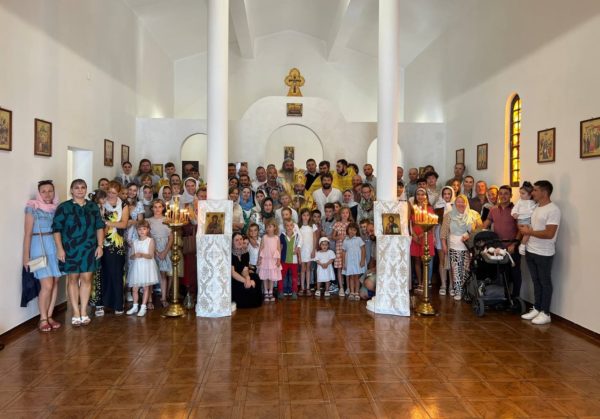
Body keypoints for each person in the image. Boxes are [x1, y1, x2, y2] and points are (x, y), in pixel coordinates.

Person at [52, 179, 105, 326]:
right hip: (70, 249)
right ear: (71, 190)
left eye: (83, 187)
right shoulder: (64, 207)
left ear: (86, 189)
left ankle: (83, 311)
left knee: (87, 279)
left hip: (89, 248)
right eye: (77, 188)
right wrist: (59, 248)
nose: (80, 190)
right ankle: (75, 312)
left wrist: (100, 245)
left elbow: (99, 227)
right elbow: (56, 229)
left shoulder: (93, 206)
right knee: (73, 279)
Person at [23, 180, 63, 332]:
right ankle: (43, 318)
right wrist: (25, 256)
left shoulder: (57, 208)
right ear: (39, 193)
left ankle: (50, 316)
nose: (47, 194)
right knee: (47, 285)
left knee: (55, 282)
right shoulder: (32, 207)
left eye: (50, 191)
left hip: (55, 245)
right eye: (43, 191)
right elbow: (27, 234)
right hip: (39, 247)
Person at [519, 180, 560, 325]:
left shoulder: (553, 210)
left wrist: (529, 232)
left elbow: (549, 233)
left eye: (535, 190)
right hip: (531, 250)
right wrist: (525, 239)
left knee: (545, 282)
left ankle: (545, 312)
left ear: (544, 192)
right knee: (536, 281)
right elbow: (533, 227)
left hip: (544, 253)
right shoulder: (536, 207)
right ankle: (537, 308)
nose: (533, 193)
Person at [440, 194, 482, 300]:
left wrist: (470, 234)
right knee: (456, 270)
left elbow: (480, 228)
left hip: (469, 247)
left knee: (466, 270)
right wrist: (444, 245)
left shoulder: (474, 214)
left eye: (463, 202)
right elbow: (443, 232)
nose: (460, 204)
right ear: (455, 203)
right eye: (458, 202)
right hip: (454, 246)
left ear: (466, 203)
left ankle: (465, 291)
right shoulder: (449, 215)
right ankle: (458, 292)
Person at [483, 185, 521, 299]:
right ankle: (504, 297)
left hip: (513, 247)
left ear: (511, 195)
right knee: (503, 273)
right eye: (501, 193)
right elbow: (487, 222)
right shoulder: (493, 209)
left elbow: (521, 229)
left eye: (506, 193)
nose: (503, 196)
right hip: (498, 247)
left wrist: (514, 244)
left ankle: (515, 298)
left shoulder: (516, 210)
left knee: (515, 273)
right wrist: (478, 231)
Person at [101, 181, 130, 315]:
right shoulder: (102, 203)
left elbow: (123, 224)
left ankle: (118, 303)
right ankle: (104, 303)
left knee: (117, 272)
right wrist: (110, 224)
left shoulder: (123, 205)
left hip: (117, 243)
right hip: (102, 241)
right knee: (104, 272)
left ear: (118, 193)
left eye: (113, 192)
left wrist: (107, 222)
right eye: (109, 192)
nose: (111, 195)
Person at [126, 220, 160, 317]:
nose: (142, 231)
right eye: (139, 229)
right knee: (134, 289)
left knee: (145, 288)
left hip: (146, 266)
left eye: (144, 229)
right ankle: (135, 306)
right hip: (137, 267)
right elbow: (131, 256)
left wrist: (142, 255)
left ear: (148, 230)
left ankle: (143, 307)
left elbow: (151, 255)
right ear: (137, 230)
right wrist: (135, 255)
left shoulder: (150, 240)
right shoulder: (135, 242)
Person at [147, 199, 173, 307]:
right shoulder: (148, 221)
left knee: (163, 274)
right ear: (152, 208)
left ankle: (163, 298)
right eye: (155, 207)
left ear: (163, 208)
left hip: (164, 248)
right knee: (150, 275)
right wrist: (156, 251)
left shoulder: (168, 220)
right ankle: (149, 301)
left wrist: (164, 252)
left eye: (160, 207)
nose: (157, 209)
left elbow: (171, 238)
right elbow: (148, 237)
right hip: (152, 248)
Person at [410, 188, 436, 293]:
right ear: (415, 196)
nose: (420, 196)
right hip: (415, 237)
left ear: (426, 196)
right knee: (417, 260)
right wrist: (413, 235)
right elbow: (409, 224)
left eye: (422, 194)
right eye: (418, 194)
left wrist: (421, 235)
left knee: (425, 261)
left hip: (426, 236)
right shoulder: (412, 208)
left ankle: (426, 283)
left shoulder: (429, 208)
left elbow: (432, 225)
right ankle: (420, 282)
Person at [231, 232, 263, 309]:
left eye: (241, 239)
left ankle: (256, 302)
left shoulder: (245, 253)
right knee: (243, 286)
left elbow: (245, 270)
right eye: (236, 240)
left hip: (243, 274)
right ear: (232, 242)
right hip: (234, 278)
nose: (240, 242)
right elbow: (233, 273)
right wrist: (245, 281)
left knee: (255, 277)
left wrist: (248, 279)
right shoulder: (230, 254)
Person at [434, 186, 455, 295]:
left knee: (451, 260)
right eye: (445, 194)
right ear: (442, 195)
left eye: (448, 194)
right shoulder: (437, 206)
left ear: (452, 195)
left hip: (452, 234)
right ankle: (443, 284)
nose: (447, 196)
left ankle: (451, 285)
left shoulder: (455, 205)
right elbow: (434, 223)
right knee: (442, 260)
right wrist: (434, 236)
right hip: (439, 233)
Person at [258, 220, 281, 302]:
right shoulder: (264, 237)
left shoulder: (277, 238)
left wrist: (279, 260)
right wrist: (259, 259)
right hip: (265, 260)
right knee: (265, 277)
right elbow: (261, 249)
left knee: (271, 277)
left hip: (273, 260)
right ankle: (265, 292)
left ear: (274, 227)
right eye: (267, 227)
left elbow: (278, 249)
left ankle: (270, 292)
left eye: (270, 226)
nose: (268, 228)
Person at [278, 220, 302, 299]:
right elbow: (280, 248)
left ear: (293, 226)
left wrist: (299, 258)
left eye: (291, 225)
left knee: (294, 277)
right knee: (281, 276)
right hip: (284, 260)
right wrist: (278, 259)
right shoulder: (282, 235)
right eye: (287, 225)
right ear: (285, 227)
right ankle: (280, 291)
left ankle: (294, 291)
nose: (289, 227)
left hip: (294, 261)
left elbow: (298, 248)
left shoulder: (297, 235)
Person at [511, 181, 537, 255]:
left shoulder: (533, 202)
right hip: (522, 220)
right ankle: (522, 245)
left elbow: (534, 209)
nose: (520, 195)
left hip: (529, 220)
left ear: (530, 194)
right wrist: (514, 213)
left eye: (523, 193)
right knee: (528, 232)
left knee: (530, 232)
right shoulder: (520, 202)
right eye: (520, 193)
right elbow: (514, 209)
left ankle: (524, 245)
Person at [342, 222, 366, 300]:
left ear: (356, 231)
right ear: (347, 230)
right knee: (351, 277)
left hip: (357, 261)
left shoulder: (358, 239)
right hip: (349, 262)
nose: (352, 231)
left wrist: (362, 260)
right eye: (350, 229)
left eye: (354, 230)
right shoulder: (345, 240)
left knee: (356, 277)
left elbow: (363, 249)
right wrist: (344, 263)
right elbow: (343, 252)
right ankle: (352, 292)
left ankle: (356, 292)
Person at [332, 206, 352, 297]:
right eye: (343, 213)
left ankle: (348, 287)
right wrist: (338, 237)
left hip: (349, 249)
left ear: (349, 214)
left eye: (346, 213)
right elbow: (333, 237)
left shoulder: (351, 224)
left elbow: (355, 236)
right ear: (340, 214)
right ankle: (341, 287)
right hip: (339, 248)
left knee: (348, 267)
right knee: (340, 268)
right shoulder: (337, 224)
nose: (345, 214)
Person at [298, 208, 318, 296]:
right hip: (302, 250)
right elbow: (297, 240)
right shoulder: (299, 226)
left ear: (310, 216)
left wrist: (313, 250)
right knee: (303, 268)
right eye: (304, 215)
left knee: (308, 268)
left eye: (307, 215)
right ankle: (302, 287)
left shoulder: (312, 226)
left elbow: (315, 238)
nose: (305, 217)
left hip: (310, 250)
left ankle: (308, 287)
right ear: (301, 216)